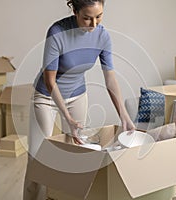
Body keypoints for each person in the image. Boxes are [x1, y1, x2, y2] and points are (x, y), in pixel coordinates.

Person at [23, 0, 135, 199]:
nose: (94, 24)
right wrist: (66, 117)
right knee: (38, 156)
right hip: (47, 97)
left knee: (75, 153)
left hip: (77, 96)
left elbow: (110, 78)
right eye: (87, 18)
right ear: (74, 11)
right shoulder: (57, 32)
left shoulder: (102, 36)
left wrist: (123, 115)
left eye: (99, 16)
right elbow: (50, 81)